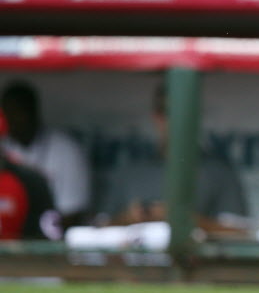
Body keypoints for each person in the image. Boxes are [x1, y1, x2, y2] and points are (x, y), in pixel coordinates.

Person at [94, 83, 249, 235]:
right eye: (168, 112)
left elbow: (241, 234)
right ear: (156, 116)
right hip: (137, 258)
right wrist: (129, 217)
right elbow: (94, 233)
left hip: (192, 259)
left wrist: (184, 219)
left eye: (183, 113)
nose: (176, 121)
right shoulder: (130, 171)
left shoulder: (218, 171)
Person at [0, 80, 90, 227]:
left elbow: (72, 214)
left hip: (49, 238)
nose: (12, 120)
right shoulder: (4, 147)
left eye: (18, 113)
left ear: (33, 111)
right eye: (7, 114)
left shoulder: (65, 149)